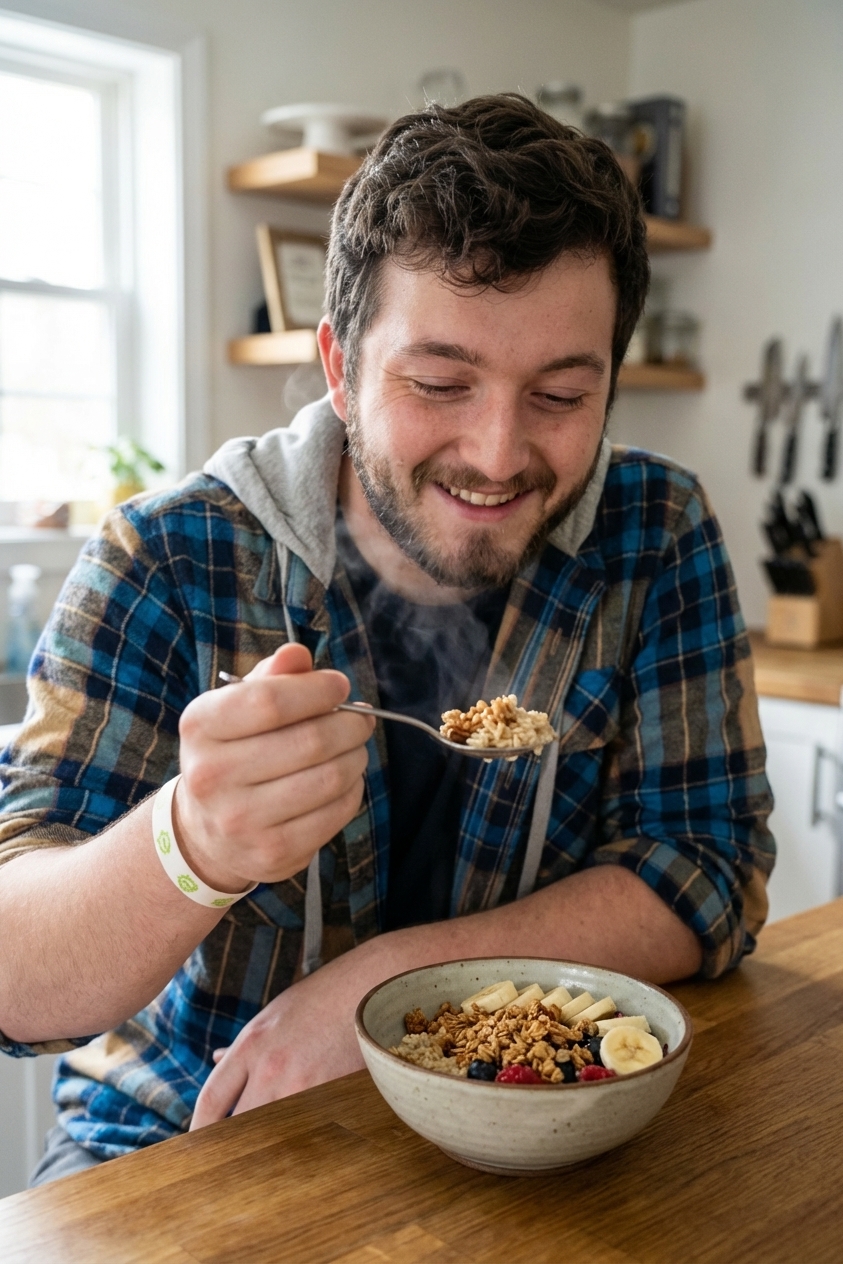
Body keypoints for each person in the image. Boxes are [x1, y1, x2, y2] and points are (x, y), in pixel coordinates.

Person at [0, 94, 774, 1184]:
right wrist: (192, 842)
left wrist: (384, 990)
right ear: (338, 365)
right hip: (188, 1135)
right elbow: (16, 980)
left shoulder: (656, 533)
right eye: (439, 383)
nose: (499, 454)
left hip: (536, 1131)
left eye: (560, 392)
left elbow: (709, 866)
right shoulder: (167, 559)